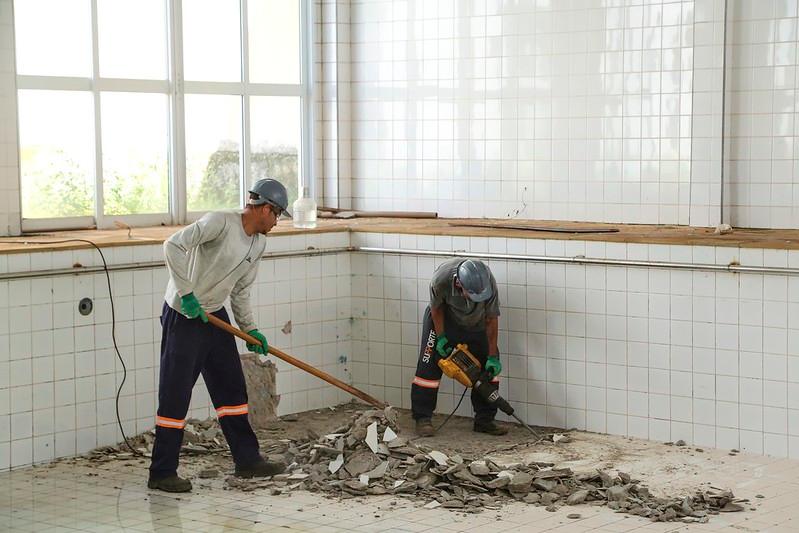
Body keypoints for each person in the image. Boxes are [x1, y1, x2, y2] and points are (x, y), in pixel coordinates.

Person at [148, 178, 291, 492]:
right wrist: (186, 294)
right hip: (184, 313)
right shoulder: (220, 223)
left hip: (214, 314)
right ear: (265, 208)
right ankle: (162, 472)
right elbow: (172, 245)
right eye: (277, 214)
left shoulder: (258, 243)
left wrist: (249, 329)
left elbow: (240, 292)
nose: (276, 222)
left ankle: (248, 460)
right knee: (176, 392)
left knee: (231, 389)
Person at [411, 258, 507, 437]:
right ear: (458, 283)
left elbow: (491, 319)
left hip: (476, 323)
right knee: (428, 367)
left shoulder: (488, 283)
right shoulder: (441, 280)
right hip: (443, 320)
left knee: (488, 370)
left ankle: (485, 420)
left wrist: (492, 356)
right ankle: (422, 418)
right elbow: (436, 309)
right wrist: (441, 337)